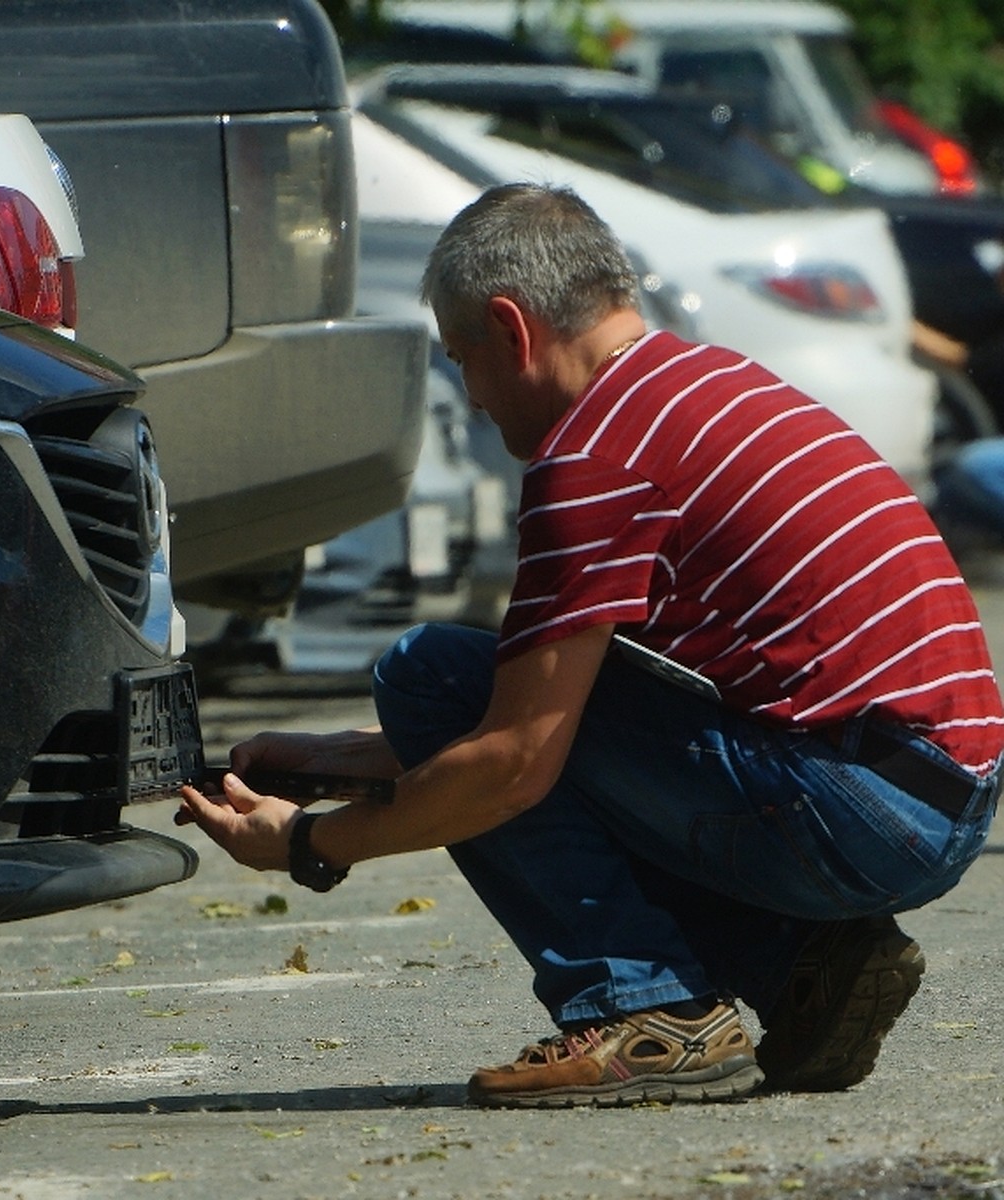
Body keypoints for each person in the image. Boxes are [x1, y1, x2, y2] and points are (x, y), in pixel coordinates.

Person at [177, 183, 1003, 1109]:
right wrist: (329, 762)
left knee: (429, 672)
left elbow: (516, 763)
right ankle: (806, 967)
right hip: (935, 790)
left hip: (857, 807)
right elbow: (586, 729)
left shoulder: (594, 456)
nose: (476, 397)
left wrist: (310, 844)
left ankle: (647, 1012)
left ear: (512, 329)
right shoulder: (703, 383)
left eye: (465, 361)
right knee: (477, 701)